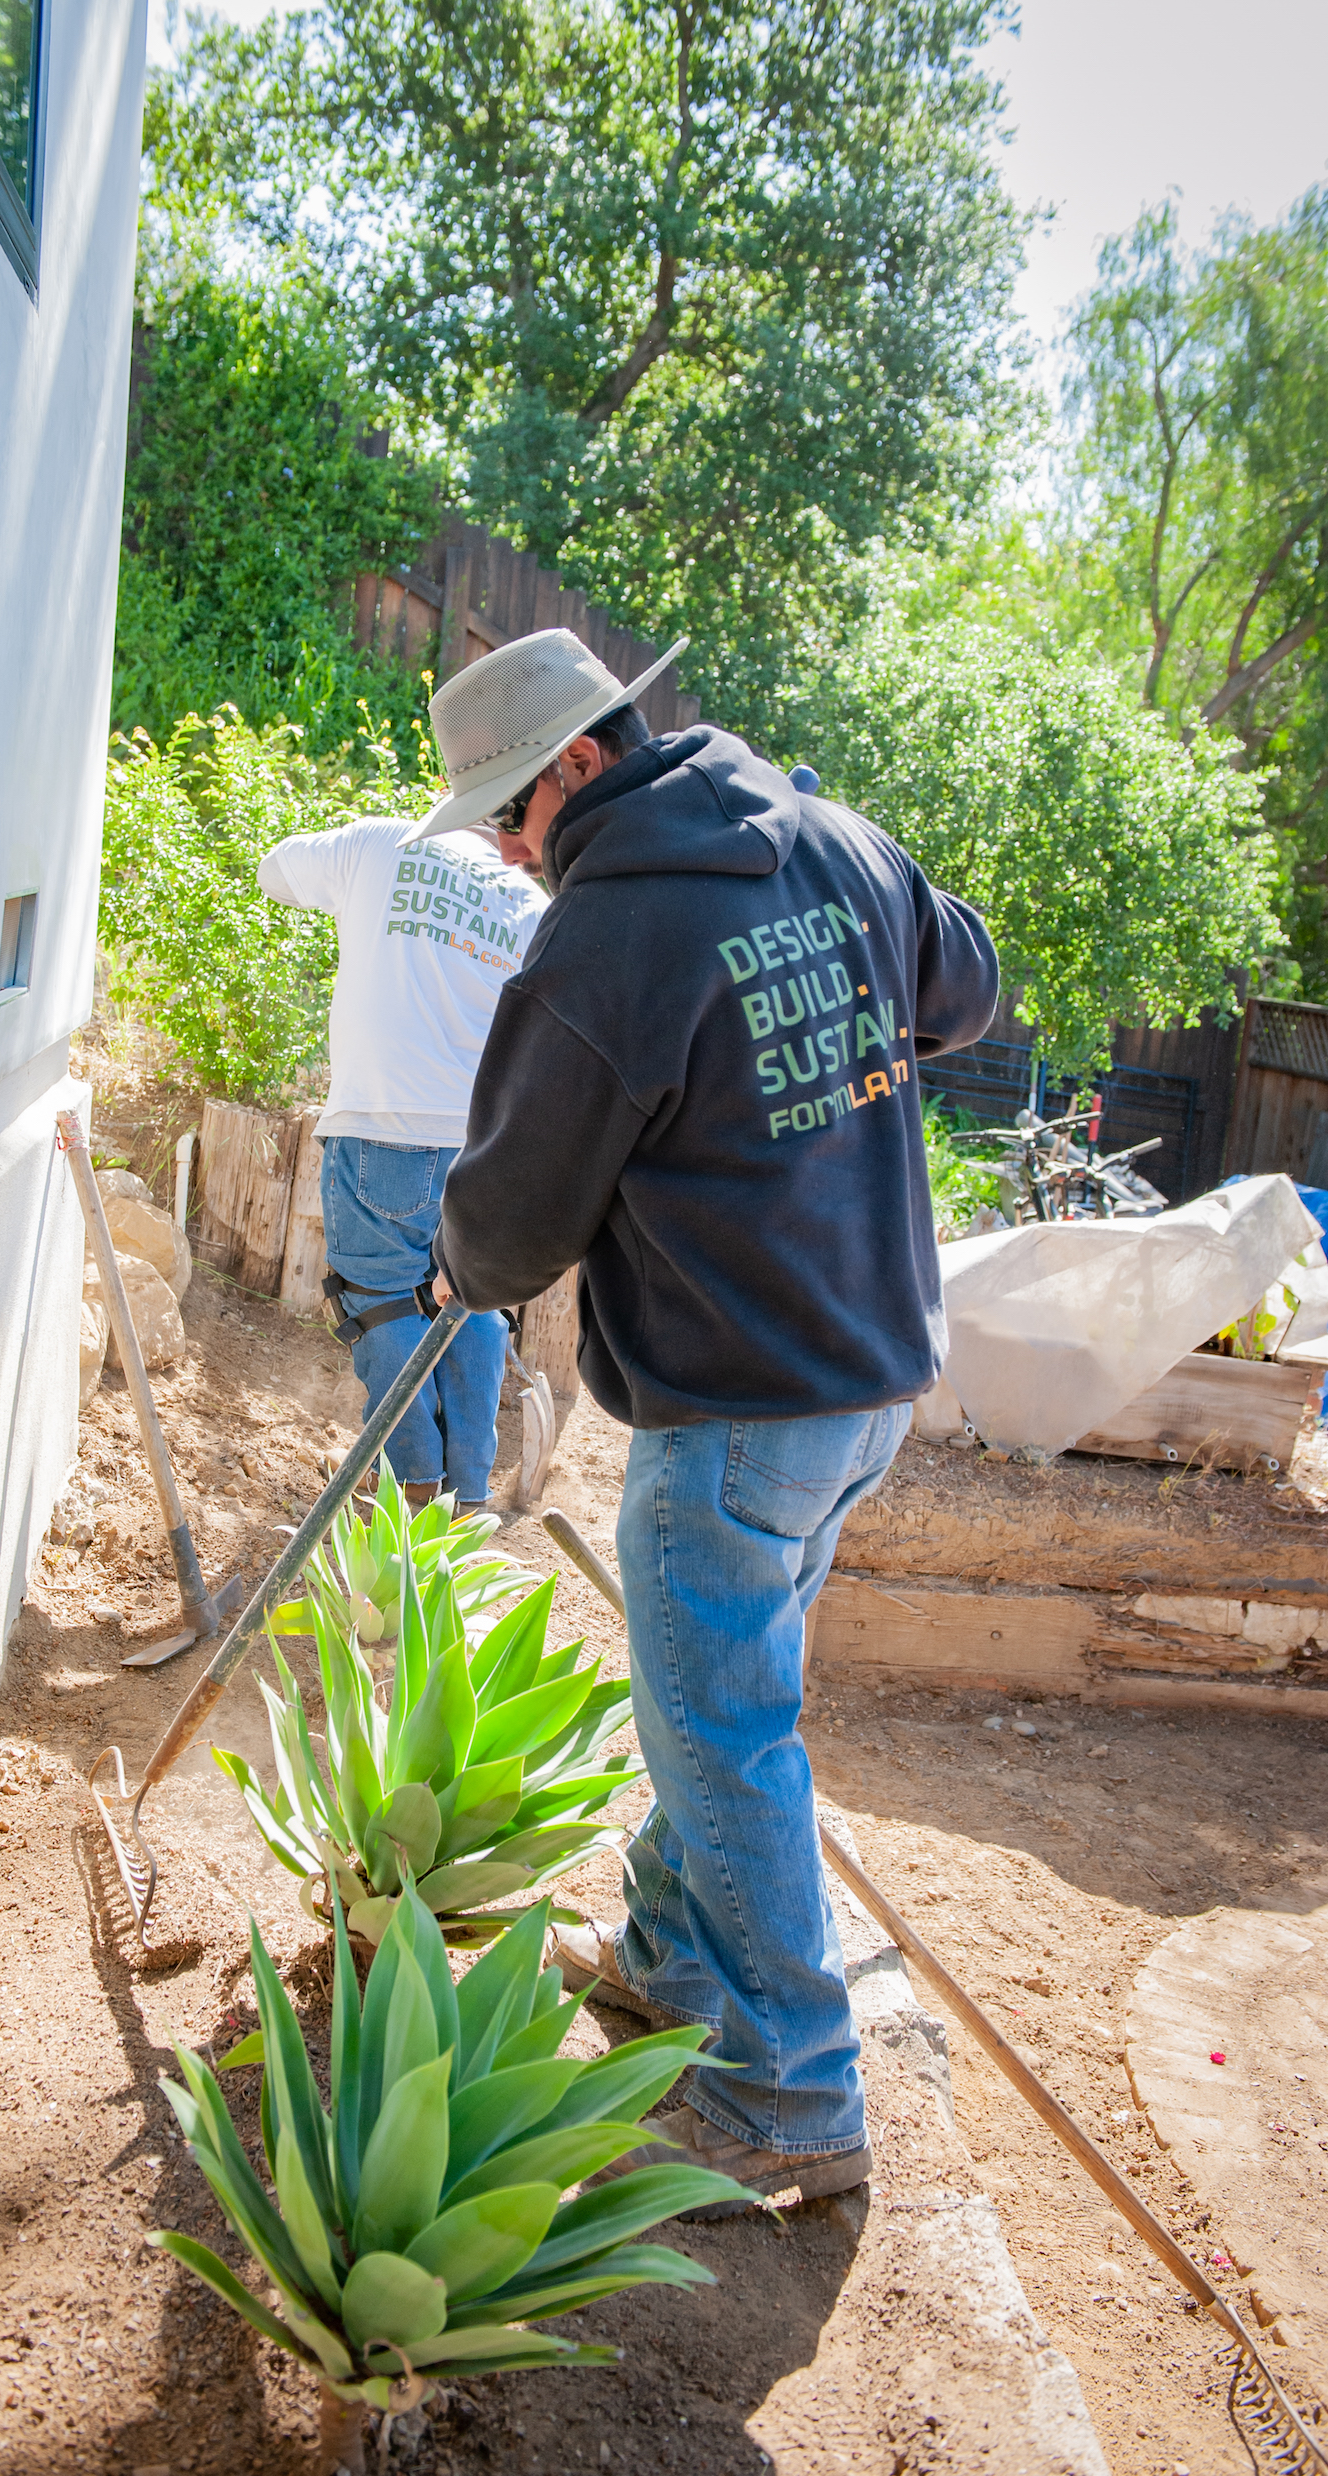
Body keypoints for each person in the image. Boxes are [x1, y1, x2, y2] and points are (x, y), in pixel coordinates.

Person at [416, 626, 999, 2210]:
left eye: (505, 819)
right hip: (870, 1376)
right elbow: (966, 982)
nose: (502, 853)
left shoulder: (608, 941)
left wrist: (451, 1262)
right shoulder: (829, 839)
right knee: (710, 1695)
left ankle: (791, 2096)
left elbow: (517, 1222)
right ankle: (676, 1961)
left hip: (742, 1407)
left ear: (579, 768)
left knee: (722, 1731)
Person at [255, 789, 549, 1512]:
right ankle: (469, 1493)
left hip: (382, 1121)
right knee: (470, 1300)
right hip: (483, 1139)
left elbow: (274, 871)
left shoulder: (381, 841)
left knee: (379, 1302)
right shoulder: (532, 901)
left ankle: (413, 1483)